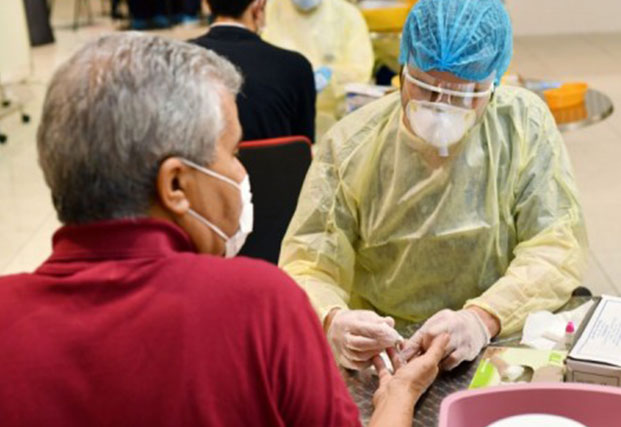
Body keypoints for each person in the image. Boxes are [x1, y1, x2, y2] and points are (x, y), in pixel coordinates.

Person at [0, 32, 448, 427]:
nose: (241, 173)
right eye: (232, 152)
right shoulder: (258, 306)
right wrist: (400, 394)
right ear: (176, 186)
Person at [280, 0, 588, 372]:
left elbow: (555, 244)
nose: (441, 108)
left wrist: (482, 318)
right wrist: (333, 319)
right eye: (425, 88)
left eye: (463, 95)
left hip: (498, 340)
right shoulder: (352, 145)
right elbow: (308, 262)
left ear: (493, 83)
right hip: (384, 352)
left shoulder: (522, 126)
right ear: (403, 67)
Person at [192, 0, 316, 142]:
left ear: (206, 4)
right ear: (259, 5)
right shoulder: (296, 66)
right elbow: (303, 146)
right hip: (275, 158)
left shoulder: (180, 59)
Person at [262, 0, 374, 138]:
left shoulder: (347, 14)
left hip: (335, 122)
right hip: (282, 119)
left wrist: (330, 76)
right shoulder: (268, 11)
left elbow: (361, 70)